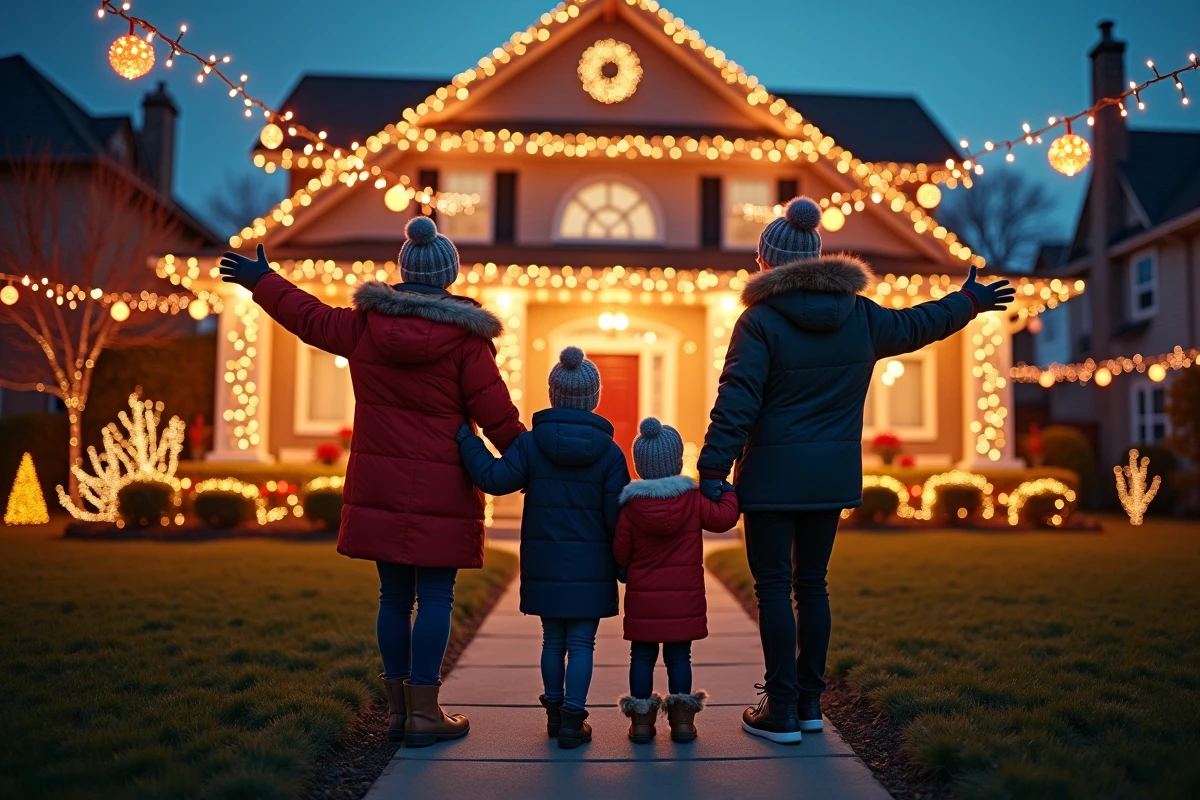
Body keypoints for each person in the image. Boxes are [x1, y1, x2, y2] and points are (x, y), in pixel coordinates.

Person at [696, 197, 1015, 745]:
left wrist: (712, 469)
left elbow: (737, 399)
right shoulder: (861, 316)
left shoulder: (760, 320)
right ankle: (810, 706)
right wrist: (968, 301)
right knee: (812, 585)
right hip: (830, 479)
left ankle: (781, 709)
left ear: (768, 261)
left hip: (771, 478)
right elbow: (920, 323)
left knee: (773, 589)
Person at [218, 216, 524, 749]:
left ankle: (399, 714)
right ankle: (425, 713)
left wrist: (261, 279)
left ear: (404, 272)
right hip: (443, 486)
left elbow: (306, 316)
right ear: (448, 276)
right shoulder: (467, 340)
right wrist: (534, 462)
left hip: (379, 483)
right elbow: (497, 415)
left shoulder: (365, 326)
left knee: (393, 596)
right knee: (436, 596)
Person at [457, 346, 629, 749]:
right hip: (591, 568)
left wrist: (470, 442)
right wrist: (624, 567)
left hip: (545, 564)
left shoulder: (530, 445)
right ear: (594, 398)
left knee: (552, 641)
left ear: (554, 394)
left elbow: (494, 478)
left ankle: (553, 715)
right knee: (582, 644)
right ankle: (573, 721)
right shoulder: (610, 453)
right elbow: (618, 519)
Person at [613, 418, 740, 744]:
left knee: (642, 657)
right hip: (684, 600)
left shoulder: (631, 508)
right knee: (679, 657)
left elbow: (620, 552)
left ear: (640, 465)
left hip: (643, 600)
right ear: (678, 460)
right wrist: (728, 493)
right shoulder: (692, 500)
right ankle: (682, 724)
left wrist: (624, 571)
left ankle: (641, 725)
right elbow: (724, 519)